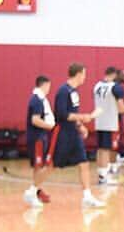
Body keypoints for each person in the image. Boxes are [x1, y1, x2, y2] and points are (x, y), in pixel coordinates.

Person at [54, 62, 105, 209]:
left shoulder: (74, 92)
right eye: (84, 74)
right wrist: (83, 117)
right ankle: (33, 189)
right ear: (78, 74)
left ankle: (87, 196)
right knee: (53, 165)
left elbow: (73, 114)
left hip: (73, 134)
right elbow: (62, 114)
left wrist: (80, 125)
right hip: (64, 134)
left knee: (84, 163)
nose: (85, 77)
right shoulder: (63, 91)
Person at [92, 64, 124, 186]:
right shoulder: (116, 87)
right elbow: (120, 108)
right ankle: (104, 177)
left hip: (99, 121)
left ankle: (101, 174)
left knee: (100, 149)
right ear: (114, 75)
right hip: (110, 122)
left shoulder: (97, 86)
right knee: (106, 149)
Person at [25, 75, 56, 206]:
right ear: (44, 85)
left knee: (40, 166)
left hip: (40, 137)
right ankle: (32, 193)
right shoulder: (37, 100)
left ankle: (37, 190)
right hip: (37, 137)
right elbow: (35, 120)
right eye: (49, 86)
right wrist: (50, 126)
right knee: (39, 166)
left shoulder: (39, 99)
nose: (49, 89)